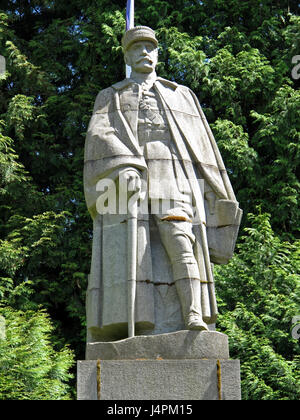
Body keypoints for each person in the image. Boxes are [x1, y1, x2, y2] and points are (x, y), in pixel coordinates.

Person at [84, 26, 242, 342]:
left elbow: (203, 148)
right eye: (137, 48)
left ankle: (193, 314)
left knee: (181, 240)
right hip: (130, 177)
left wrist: (215, 195)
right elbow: (99, 136)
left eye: (150, 47)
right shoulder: (111, 95)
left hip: (174, 174)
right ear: (127, 56)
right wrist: (123, 164)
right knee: (136, 249)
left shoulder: (180, 94)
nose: (144, 52)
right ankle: (139, 320)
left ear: (157, 54)